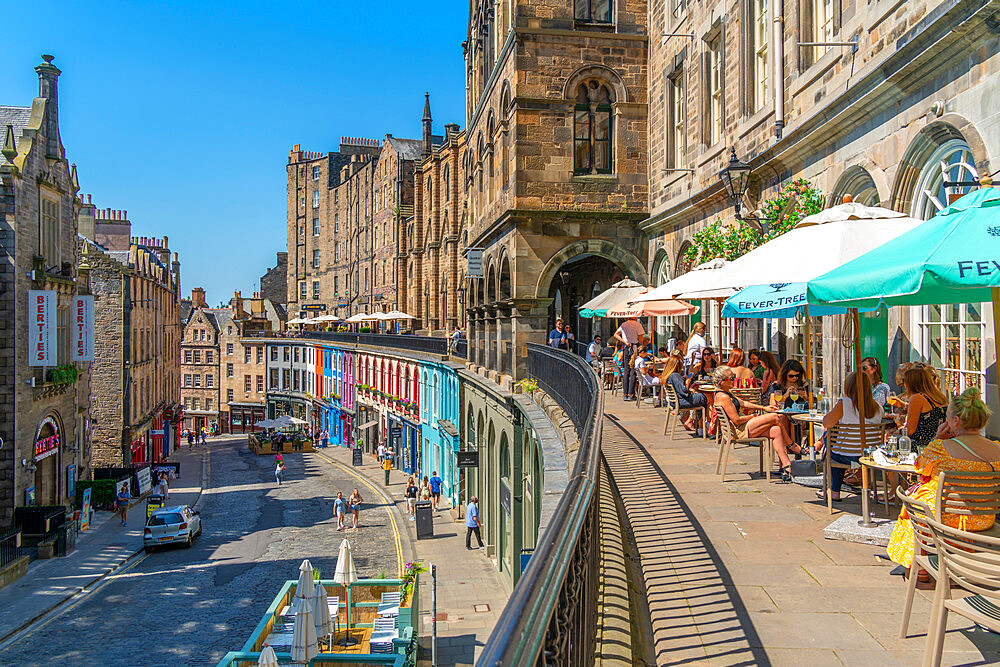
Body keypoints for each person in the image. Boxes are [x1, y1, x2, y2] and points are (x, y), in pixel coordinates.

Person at [887, 387, 1000, 569]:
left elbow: (920, 467)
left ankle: (919, 567)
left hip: (946, 517)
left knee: (914, 503)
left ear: (955, 420)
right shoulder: (997, 449)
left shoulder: (941, 448)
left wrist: (937, 439)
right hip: (984, 517)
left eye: (947, 417)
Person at [713, 366, 799, 481]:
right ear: (721, 382)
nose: (734, 380)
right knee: (775, 417)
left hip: (741, 427)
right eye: (731, 378)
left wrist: (764, 407)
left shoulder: (726, 393)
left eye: (734, 377)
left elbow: (743, 403)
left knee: (776, 430)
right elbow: (737, 420)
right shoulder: (723, 397)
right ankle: (791, 445)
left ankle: (786, 466)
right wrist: (753, 416)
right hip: (738, 431)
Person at [815, 372, 884, 501]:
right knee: (836, 447)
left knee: (831, 446)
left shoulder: (845, 403)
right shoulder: (878, 407)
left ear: (849, 388)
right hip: (869, 456)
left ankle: (834, 491)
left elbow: (827, 422)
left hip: (846, 455)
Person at [897, 366, 948, 451]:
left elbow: (910, 431)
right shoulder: (941, 398)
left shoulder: (917, 398)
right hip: (940, 444)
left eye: (904, 381)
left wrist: (897, 432)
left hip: (922, 446)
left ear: (911, 383)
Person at [659, 355, 708, 435]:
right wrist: (688, 382)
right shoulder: (675, 376)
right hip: (681, 402)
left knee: (700, 397)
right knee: (704, 398)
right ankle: (701, 427)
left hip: (674, 401)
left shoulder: (668, 376)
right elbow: (684, 392)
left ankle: (697, 425)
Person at [610, 316, 646, 402]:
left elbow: (615, 334)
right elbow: (640, 339)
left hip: (626, 347)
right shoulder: (638, 324)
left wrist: (625, 341)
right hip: (634, 348)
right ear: (634, 316)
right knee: (633, 371)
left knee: (626, 371)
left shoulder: (623, 324)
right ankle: (631, 394)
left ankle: (625, 394)